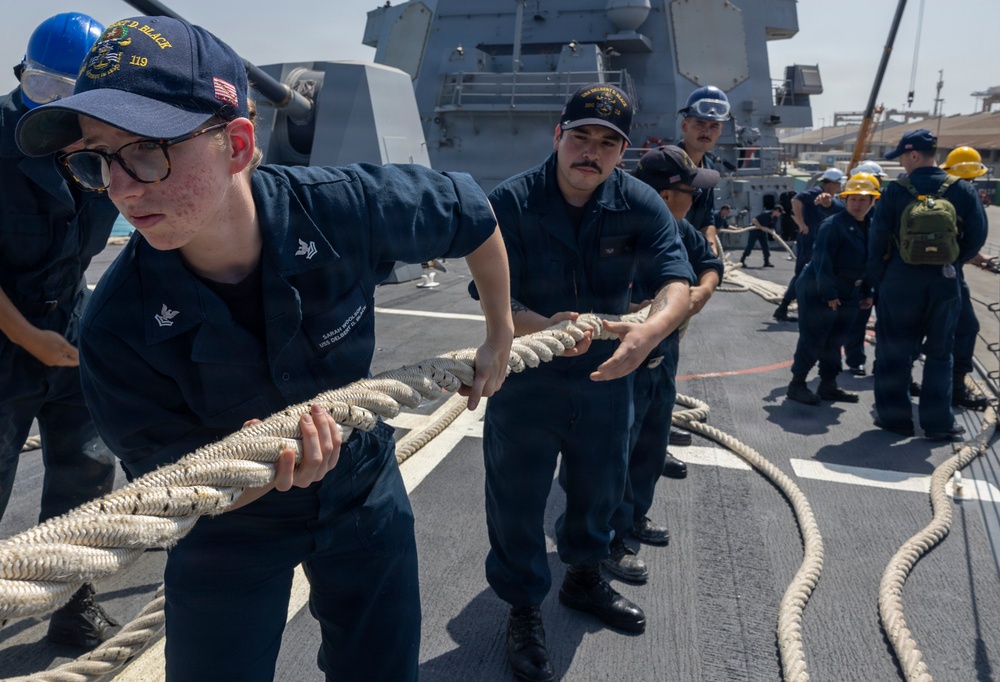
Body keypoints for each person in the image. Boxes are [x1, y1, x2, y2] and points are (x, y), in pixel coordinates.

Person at [17, 15, 514, 682]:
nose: (121, 188)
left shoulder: (346, 207)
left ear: (239, 144)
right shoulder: (115, 327)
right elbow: (168, 484)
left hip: (361, 487)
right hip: (229, 531)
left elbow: (471, 213)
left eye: (146, 150)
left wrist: (500, 333)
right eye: (98, 157)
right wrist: (252, 471)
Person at [476, 84, 694, 682]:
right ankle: (523, 606)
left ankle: (582, 576)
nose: (591, 153)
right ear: (558, 137)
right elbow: (492, 296)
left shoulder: (640, 202)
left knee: (602, 483)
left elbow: (676, 279)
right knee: (517, 497)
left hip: (609, 374)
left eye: (607, 143)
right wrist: (543, 326)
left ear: (621, 152)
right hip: (527, 379)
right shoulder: (512, 202)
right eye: (581, 137)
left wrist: (651, 332)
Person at [0, 12, 121, 649]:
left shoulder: (109, 142)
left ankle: (73, 605)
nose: (53, 108)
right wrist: (25, 338)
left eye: (69, 96)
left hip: (72, 332)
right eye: (41, 88)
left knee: (86, 475)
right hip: (4, 340)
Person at [601, 146, 722, 584]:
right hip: (621, 363)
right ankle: (607, 540)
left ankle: (634, 516)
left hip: (662, 359)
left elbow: (710, 265)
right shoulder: (618, 229)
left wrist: (701, 292)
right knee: (611, 455)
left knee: (649, 444)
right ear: (668, 195)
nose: (699, 200)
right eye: (692, 191)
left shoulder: (679, 229)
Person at [867, 130, 987, 440]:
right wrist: (952, 263)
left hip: (900, 281)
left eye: (903, 157)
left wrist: (880, 279)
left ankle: (895, 418)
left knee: (894, 350)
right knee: (940, 354)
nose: (902, 163)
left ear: (915, 155)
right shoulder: (962, 190)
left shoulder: (895, 192)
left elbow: (877, 238)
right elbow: (977, 238)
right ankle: (938, 423)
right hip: (944, 282)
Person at [785, 173, 879, 405]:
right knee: (813, 337)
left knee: (836, 339)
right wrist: (829, 295)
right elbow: (822, 263)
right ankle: (797, 385)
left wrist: (867, 292)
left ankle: (828, 384)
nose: (857, 204)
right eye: (853, 199)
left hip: (849, 291)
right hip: (818, 289)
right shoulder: (833, 225)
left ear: (872, 202)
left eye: (863, 200)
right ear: (845, 200)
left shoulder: (872, 227)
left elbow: (868, 263)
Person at [941, 146, 990, 411]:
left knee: (918, 329)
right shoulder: (967, 193)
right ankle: (956, 389)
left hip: (914, 274)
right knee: (966, 327)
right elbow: (974, 236)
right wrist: (965, 257)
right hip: (950, 273)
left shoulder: (930, 191)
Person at [773, 168, 845, 321]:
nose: (839, 188)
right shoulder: (817, 192)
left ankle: (796, 307)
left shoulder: (824, 195)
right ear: (831, 183)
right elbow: (796, 199)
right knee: (804, 274)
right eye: (838, 184)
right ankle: (783, 307)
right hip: (809, 239)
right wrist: (801, 223)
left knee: (811, 273)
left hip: (815, 239)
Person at [842, 161, 888, 375]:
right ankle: (855, 360)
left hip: (887, 273)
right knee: (859, 319)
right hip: (865, 274)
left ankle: (884, 363)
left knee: (889, 321)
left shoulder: (889, 204)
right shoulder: (855, 210)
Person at [677, 85, 731, 255]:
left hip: (690, 254)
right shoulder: (666, 164)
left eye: (714, 126)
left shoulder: (708, 167)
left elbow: (707, 216)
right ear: (685, 125)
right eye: (699, 123)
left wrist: (711, 245)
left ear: (720, 130)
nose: (706, 132)